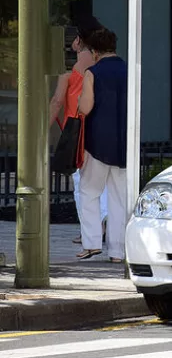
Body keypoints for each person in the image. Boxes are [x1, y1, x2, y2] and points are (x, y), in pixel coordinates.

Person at [49, 17, 109, 246]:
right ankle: (101, 225)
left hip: (76, 127)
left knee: (81, 183)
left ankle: (90, 229)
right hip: (96, 124)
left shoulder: (76, 66)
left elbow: (57, 100)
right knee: (99, 181)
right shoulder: (100, 58)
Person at [75, 26, 128, 262]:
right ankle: (117, 252)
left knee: (89, 191)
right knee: (119, 198)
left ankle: (92, 243)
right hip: (125, 142)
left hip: (97, 142)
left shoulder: (93, 72)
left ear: (95, 52)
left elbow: (86, 107)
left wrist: (78, 101)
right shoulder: (130, 69)